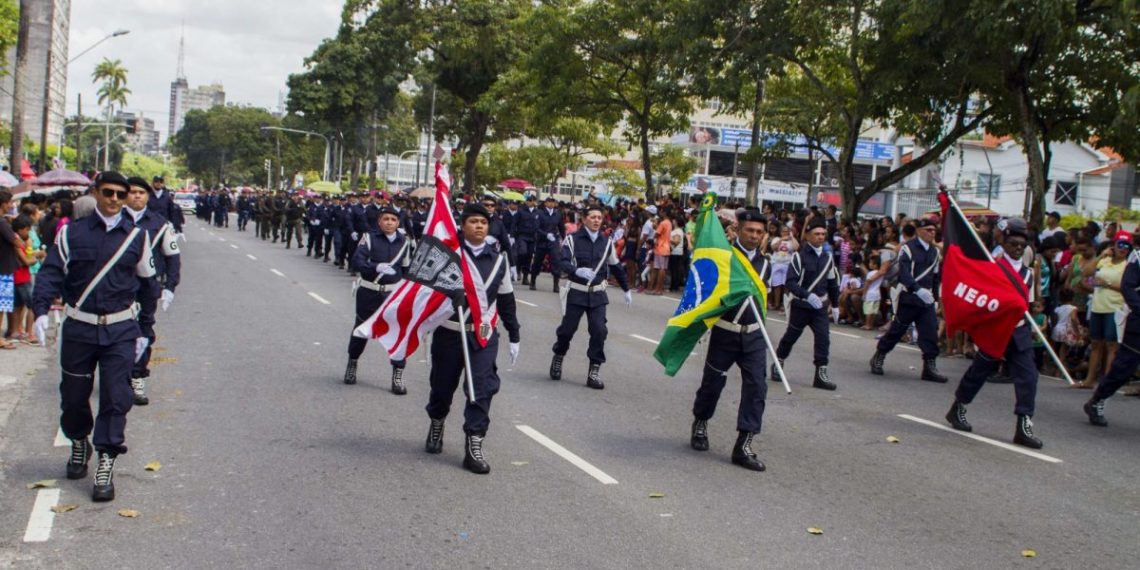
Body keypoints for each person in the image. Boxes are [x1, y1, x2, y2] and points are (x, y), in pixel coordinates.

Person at [31, 171, 158, 501]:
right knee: (74, 396)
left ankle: (106, 458)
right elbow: (50, 273)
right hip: (80, 327)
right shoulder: (72, 234)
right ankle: (78, 442)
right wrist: (41, 310)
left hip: (120, 329)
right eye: (109, 192)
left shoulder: (137, 237)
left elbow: (148, 286)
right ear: (96, 193)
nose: (115, 199)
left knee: (116, 397)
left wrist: (146, 328)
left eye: (121, 194)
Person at [424, 203, 521, 474]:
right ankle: (437, 422)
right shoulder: (449, 255)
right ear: (462, 226)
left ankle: (474, 443)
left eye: (483, 222)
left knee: (482, 387)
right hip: (450, 332)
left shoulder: (499, 260)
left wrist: (514, 334)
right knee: (442, 386)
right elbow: (425, 291)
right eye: (473, 222)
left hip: (482, 335)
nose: (479, 226)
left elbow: (506, 299)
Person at [945, 218, 1043, 449]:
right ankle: (958, 407)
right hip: (996, 330)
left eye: (1022, 245)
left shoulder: (1029, 274)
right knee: (980, 370)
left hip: (1018, 330)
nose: (1018, 249)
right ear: (1005, 243)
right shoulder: (993, 266)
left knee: (1029, 376)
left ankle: (1023, 423)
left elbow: (1027, 305)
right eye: (1013, 244)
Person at [690, 208, 772, 472]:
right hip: (725, 332)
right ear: (738, 230)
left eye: (759, 232)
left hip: (754, 335)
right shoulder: (724, 257)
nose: (754, 236)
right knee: (712, 384)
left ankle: (744, 444)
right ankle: (701, 421)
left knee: (757, 388)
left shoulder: (765, 264)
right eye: (750, 230)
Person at [549, 204, 632, 390]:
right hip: (577, 291)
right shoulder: (572, 240)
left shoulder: (607, 243)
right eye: (592, 217)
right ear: (584, 219)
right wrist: (576, 269)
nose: (596, 220)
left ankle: (594, 370)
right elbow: (561, 262)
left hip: (597, 294)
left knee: (599, 331)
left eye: (599, 218)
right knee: (567, 330)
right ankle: (558, 356)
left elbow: (616, 266)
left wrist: (626, 289)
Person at [123, 177, 182, 405]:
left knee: (144, 330)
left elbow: (173, 257)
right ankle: (119, 375)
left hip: (147, 286)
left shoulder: (160, 223)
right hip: (118, 286)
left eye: (141, 192)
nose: (137, 196)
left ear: (148, 196)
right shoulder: (116, 221)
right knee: (118, 332)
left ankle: (138, 376)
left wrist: (170, 287)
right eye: (133, 192)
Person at [869, 218, 947, 382]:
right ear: (919, 231)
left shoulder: (934, 252)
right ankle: (879, 356)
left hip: (926, 301)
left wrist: (935, 297)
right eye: (929, 230)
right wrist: (917, 289)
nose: (932, 233)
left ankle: (929, 367)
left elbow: (935, 276)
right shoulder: (908, 249)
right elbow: (903, 273)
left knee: (930, 333)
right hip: (909, 298)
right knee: (897, 330)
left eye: (934, 230)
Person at [344, 206, 412, 390]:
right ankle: (352, 362)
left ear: (398, 222)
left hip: (392, 294)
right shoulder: (369, 238)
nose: (389, 222)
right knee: (361, 329)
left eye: (393, 219)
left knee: (399, 333)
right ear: (379, 221)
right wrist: (376, 267)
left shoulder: (404, 242)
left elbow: (406, 270)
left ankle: (398, 374)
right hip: (369, 291)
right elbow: (357, 261)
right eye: (386, 219)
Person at [774, 218, 839, 390]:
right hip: (801, 305)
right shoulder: (799, 257)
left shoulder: (828, 257)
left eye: (823, 234)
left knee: (823, 339)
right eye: (816, 234)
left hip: (820, 307)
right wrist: (807, 295)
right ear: (808, 236)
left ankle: (820, 373)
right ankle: (778, 361)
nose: (820, 237)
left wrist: (837, 304)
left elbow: (832, 282)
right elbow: (791, 282)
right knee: (791, 337)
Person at [1083, 237, 1140, 427]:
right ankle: (1097, 400)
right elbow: (1128, 286)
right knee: (1125, 367)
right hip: (1137, 322)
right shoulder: (1137, 258)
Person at [1076, 232, 1130, 389]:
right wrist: (1100, 256)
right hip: (1097, 306)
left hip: (1115, 307)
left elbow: (1127, 287)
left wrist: (1106, 284)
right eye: (1120, 244)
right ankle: (1089, 380)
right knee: (1096, 343)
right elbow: (1086, 272)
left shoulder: (1127, 265)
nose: (1123, 249)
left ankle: (1107, 381)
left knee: (1111, 345)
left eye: (1126, 246)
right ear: (1114, 245)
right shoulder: (1105, 261)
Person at [529, 196, 563, 292]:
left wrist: (564, 239)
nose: (551, 204)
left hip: (553, 241)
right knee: (537, 262)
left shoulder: (557, 214)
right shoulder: (539, 213)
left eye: (553, 202)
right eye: (549, 202)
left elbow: (561, 228)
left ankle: (556, 284)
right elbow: (536, 228)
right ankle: (533, 281)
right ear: (545, 203)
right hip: (542, 241)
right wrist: (546, 234)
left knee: (556, 261)